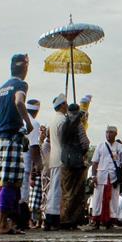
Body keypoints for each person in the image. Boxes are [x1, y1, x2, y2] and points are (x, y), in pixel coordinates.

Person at [0, 53, 35, 235]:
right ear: (25, 68)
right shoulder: (20, 85)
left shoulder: (3, 87)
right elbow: (19, 101)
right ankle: (4, 223)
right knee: (11, 182)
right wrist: (27, 122)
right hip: (13, 137)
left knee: (0, 181)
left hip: (0, 138)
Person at [90, 125, 122, 229]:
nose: (108, 134)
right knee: (98, 198)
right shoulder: (100, 145)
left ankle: (110, 221)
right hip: (101, 175)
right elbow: (94, 162)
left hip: (114, 177)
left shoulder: (120, 147)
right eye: (107, 132)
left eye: (111, 132)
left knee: (114, 198)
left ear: (115, 134)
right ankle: (96, 221)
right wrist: (93, 175)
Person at [60, 104, 90, 229]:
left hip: (65, 161)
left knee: (66, 192)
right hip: (77, 162)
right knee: (76, 192)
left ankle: (63, 218)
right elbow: (85, 143)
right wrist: (81, 155)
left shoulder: (64, 125)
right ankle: (72, 220)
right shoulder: (79, 125)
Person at [44, 94, 68, 230]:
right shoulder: (63, 121)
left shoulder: (53, 120)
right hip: (61, 157)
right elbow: (66, 140)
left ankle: (49, 218)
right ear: (63, 105)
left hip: (54, 157)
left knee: (53, 189)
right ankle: (53, 219)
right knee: (57, 190)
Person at [21, 100, 42, 229]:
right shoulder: (33, 123)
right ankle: (22, 222)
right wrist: (39, 164)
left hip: (15, 162)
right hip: (25, 163)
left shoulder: (18, 121)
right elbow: (34, 147)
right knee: (23, 194)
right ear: (37, 111)